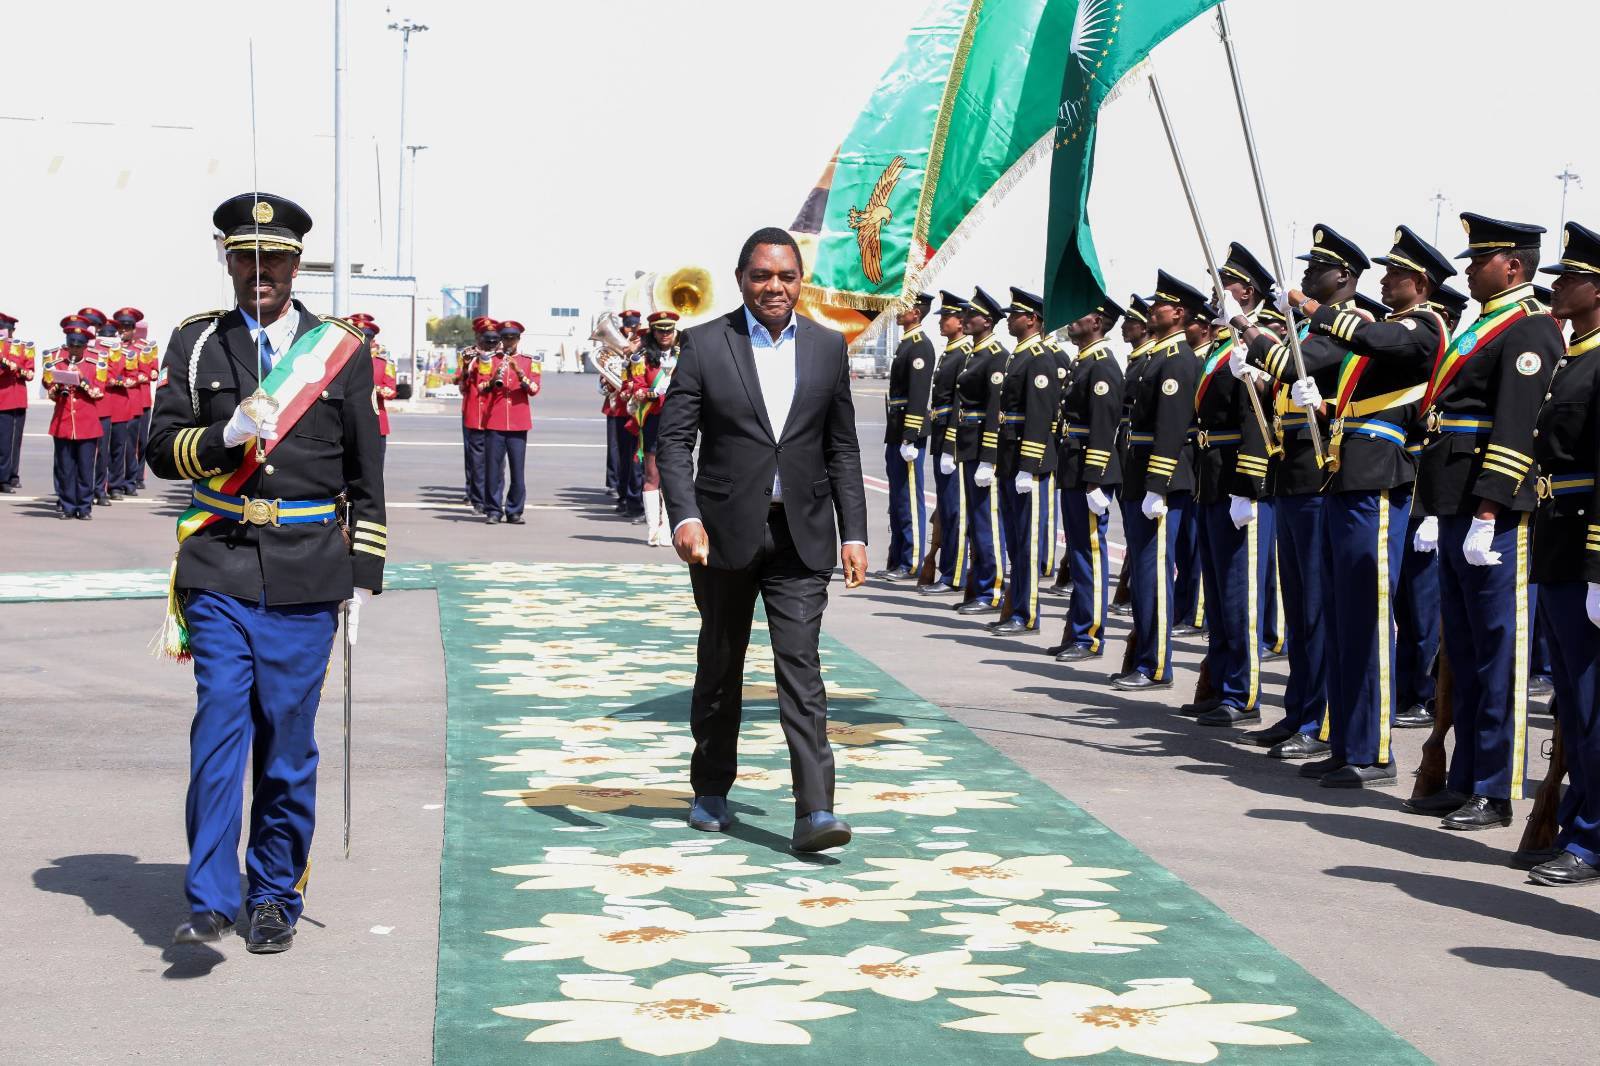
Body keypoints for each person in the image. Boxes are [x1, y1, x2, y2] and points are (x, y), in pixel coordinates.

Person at [150, 192, 385, 953]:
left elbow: (366, 471)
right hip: (218, 564)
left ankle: (276, 893)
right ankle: (211, 897)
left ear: (295, 265)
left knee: (286, 740)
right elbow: (159, 450)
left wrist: (364, 574)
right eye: (245, 259)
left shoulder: (340, 350)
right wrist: (223, 433)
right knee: (219, 723)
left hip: (308, 570)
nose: (260, 273)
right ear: (228, 263)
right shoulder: (195, 343)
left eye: (274, 259)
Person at [656, 226, 868, 854]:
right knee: (721, 661)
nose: (774, 287)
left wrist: (854, 532)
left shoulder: (829, 348)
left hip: (802, 536)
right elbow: (673, 441)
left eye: (786, 276)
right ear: (742, 278)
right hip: (721, 538)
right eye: (761, 276)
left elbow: (842, 446)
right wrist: (684, 516)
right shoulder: (703, 344)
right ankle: (711, 788)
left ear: (801, 280)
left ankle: (816, 810)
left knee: (801, 667)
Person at [1273, 226, 1452, 786]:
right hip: (1344, 475)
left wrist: (1309, 308)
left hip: (1377, 479)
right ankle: (1347, 740)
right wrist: (1322, 407)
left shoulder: (1422, 327)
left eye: (1396, 273)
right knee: (1346, 618)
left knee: (1370, 620)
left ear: (1418, 283)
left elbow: (1374, 342)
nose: (1386, 279)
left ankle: (1374, 752)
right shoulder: (1384, 331)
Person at [1404, 213, 1563, 830]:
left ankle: (1496, 788)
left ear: (1513, 266)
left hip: (1486, 510)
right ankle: (1466, 773)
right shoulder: (1486, 324)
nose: (1468, 269)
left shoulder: (1528, 330)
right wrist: (1433, 508)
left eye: (1480, 260)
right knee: (1463, 650)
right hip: (1453, 501)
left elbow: (1515, 425)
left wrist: (1489, 509)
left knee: (1499, 652)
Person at [1232, 227, 1358, 760]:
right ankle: (1300, 710)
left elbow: (1291, 367)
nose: (1304, 278)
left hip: (1318, 473)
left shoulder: (1346, 329)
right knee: (1298, 603)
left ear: (1342, 279)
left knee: (1316, 609)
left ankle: (1320, 718)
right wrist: (1255, 376)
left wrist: (1244, 326)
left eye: (1315, 271)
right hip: (1292, 472)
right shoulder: (1307, 328)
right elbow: (1281, 383)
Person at [1523, 220, 1600, 885]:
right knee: (1570, 705)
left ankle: (1593, 838)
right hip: (1554, 540)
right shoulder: (1573, 357)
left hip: (1585, 551)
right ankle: (1577, 820)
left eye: (1573, 279)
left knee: (1591, 698)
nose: (1561, 288)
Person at [1184, 244, 1276, 727]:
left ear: (1250, 292)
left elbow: (1259, 419)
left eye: (1227, 285)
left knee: (1242, 593)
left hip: (1239, 478)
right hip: (1211, 474)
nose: (1217, 294)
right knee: (1218, 593)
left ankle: (1243, 693)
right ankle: (1220, 682)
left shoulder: (1265, 338)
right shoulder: (1222, 342)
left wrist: (1250, 483)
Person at [1112, 272, 1204, 690]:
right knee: (1144, 575)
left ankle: (1156, 664)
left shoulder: (1179, 360)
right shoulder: (1154, 358)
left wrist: (1158, 485)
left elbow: (1171, 426)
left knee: (1154, 574)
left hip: (1159, 480)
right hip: (1140, 472)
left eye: (1159, 306)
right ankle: (1144, 656)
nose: (1152, 311)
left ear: (1179, 313)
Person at [1052, 294, 1124, 662]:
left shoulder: (1102, 366)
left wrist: (1096, 479)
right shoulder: (1083, 362)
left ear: (1098, 321)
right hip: (1073, 467)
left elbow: (1103, 424)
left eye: (1080, 314)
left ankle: (1090, 636)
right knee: (1078, 554)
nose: (1072, 319)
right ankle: (1076, 629)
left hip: (1088, 472)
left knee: (1089, 557)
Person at [988, 287, 1059, 635]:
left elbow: (1040, 415)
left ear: (1031, 319)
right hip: (1010, 456)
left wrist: (1028, 465)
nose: (1009, 319)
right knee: (1015, 540)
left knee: (1027, 543)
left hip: (1025, 461)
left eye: (1014, 314)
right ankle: (1015, 605)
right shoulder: (1018, 355)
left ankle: (1026, 613)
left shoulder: (1039, 357)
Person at [952, 287, 1010, 616]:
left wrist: (989, 457)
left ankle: (992, 590)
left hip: (981, 448)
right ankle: (981, 586)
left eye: (971, 315)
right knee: (976, 521)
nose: (965, 319)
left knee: (987, 522)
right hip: (968, 444)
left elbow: (994, 409)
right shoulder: (975, 354)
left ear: (987, 321)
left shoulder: (996, 356)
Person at [877, 293, 935, 581]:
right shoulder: (907, 344)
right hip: (897, 428)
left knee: (909, 498)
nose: (897, 312)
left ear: (915, 312)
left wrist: (910, 436)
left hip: (907, 432)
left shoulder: (920, 346)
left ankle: (911, 561)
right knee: (898, 498)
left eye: (902, 309)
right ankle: (897, 555)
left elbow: (918, 395)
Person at [924, 291, 973, 595]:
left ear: (960, 321)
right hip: (941, 436)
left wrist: (951, 445)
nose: (942, 322)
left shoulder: (963, 354)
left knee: (955, 511)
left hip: (950, 441)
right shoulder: (950, 352)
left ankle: (954, 574)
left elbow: (960, 403)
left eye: (946, 317)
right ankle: (948, 570)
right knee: (946, 508)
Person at [45, 316, 104, 519]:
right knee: (65, 469)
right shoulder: (58, 364)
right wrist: (60, 383)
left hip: (87, 424)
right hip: (63, 424)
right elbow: (51, 394)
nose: (74, 351)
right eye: (71, 346)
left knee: (86, 469)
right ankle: (68, 506)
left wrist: (82, 380)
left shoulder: (95, 364)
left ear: (84, 347)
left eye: (78, 347)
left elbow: (99, 392)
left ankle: (85, 507)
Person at [481, 319, 539, 524]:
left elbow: (534, 389)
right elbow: (481, 387)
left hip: (518, 420)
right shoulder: (490, 359)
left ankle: (514, 510)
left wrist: (519, 371)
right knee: (493, 469)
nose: (508, 341)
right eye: (504, 338)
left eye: (512, 338)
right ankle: (493, 510)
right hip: (495, 420)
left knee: (517, 469)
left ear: (518, 339)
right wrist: (493, 377)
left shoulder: (529, 360)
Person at [636, 311, 680, 546]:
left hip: (678, 421)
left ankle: (669, 527)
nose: (665, 334)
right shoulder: (642, 358)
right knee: (652, 475)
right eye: (660, 330)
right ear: (653, 332)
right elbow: (636, 386)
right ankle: (653, 528)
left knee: (673, 475)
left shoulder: (684, 355)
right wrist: (645, 392)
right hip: (654, 419)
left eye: (669, 330)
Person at [112, 308, 155, 493]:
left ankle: (137, 475)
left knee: (140, 441)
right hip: (120, 401)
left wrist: (135, 378)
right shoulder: (112, 349)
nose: (124, 331)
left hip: (139, 400)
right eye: (121, 327)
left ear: (133, 329)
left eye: (127, 327)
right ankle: (121, 477)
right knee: (121, 443)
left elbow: (152, 372)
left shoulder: (144, 347)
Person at [349, 314, 396, 458]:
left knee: (374, 470)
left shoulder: (384, 364)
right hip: (350, 423)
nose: (363, 341)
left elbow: (391, 392)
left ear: (373, 341)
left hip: (376, 424)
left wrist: (373, 389)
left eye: (366, 338)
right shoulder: (345, 362)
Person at [0, 314, 33, 494]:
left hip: (14, 398)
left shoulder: (22, 347)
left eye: (7, 330)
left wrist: (17, 369)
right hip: (3, 396)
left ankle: (10, 476)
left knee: (11, 441)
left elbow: (29, 372)